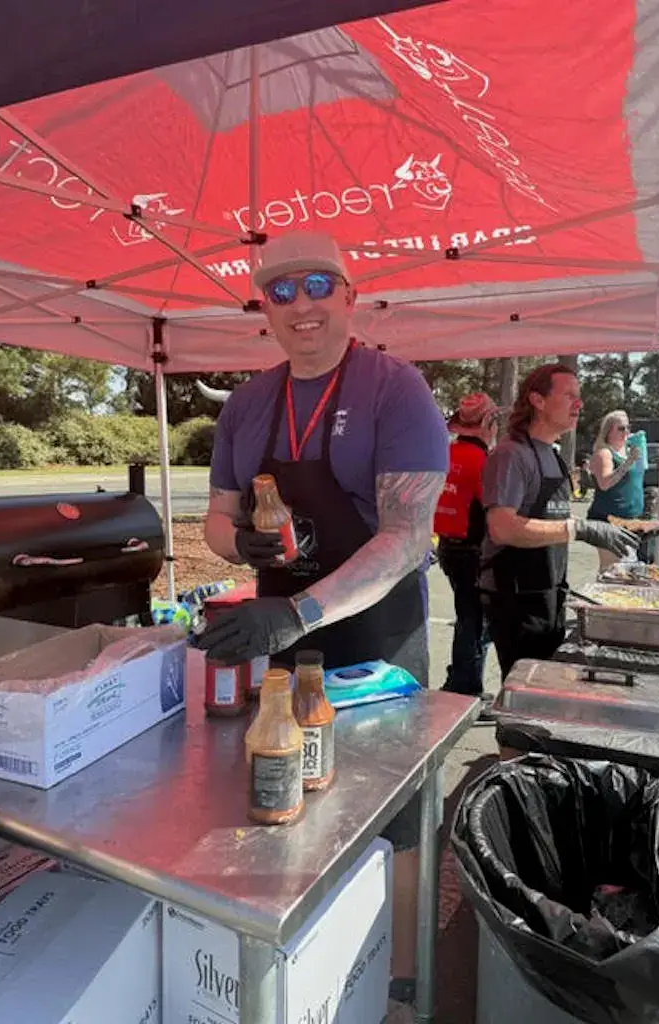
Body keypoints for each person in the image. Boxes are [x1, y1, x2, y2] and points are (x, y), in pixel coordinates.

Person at [197, 230, 449, 1007]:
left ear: (348, 294)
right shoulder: (246, 403)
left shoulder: (392, 388)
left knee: (394, 808)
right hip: (280, 619)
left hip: (374, 625)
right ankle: (309, 950)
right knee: (288, 780)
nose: (300, 305)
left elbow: (407, 538)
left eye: (315, 286)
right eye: (279, 292)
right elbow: (214, 519)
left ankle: (402, 970)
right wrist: (236, 542)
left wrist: (298, 613)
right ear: (264, 311)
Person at [480, 364, 640, 680]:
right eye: (569, 395)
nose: (579, 404)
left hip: (549, 591)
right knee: (526, 692)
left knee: (548, 685)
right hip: (516, 597)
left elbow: (549, 515)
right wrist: (579, 528)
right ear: (537, 400)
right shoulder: (511, 455)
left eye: (578, 396)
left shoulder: (553, 455)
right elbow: (502, 527)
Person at [434, 393, 498, 703]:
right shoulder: (483, 461)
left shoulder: (445, 453)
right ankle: (465, 687)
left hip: (447, 546)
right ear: (488, 423)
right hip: (473, 549)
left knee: (467, 617)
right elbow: (493, 508)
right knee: (474, 621)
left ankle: (461, 681)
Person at [587, 410, 645, 570]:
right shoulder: (604, 453)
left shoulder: (630, 450)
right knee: (612, 568)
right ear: (608, 431)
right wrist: (628, 462)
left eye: (628, 427)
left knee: (626, 568)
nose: (626, 432)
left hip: (630, 519)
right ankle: (599, 595)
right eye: (621, 428)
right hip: (608, 520)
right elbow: (605, 483)